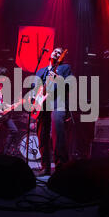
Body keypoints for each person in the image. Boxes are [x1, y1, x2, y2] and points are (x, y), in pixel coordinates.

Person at [34, 47, 72, 176]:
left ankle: (61, 166)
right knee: (42, 135)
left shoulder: (65, 68)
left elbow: (69, 84)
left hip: (57, 103)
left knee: (58, 133)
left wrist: (57, 81)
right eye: (55, 50)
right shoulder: (41, 71)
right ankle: (45, 167)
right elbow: (35, 88)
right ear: (50, 54)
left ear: (62, 57)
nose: (57, 52)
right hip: (42, 105)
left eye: (60, 52)